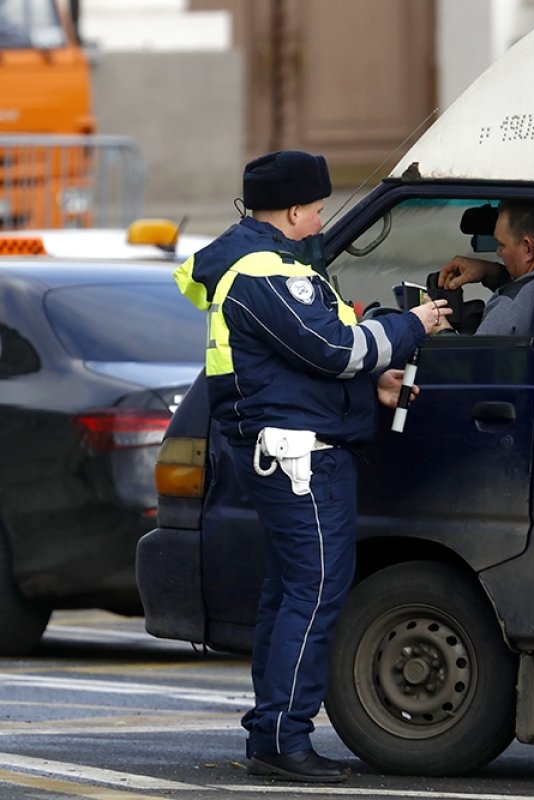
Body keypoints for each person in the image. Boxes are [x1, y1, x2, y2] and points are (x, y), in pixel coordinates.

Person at [174, 150, 451, 783]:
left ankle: (272, 732)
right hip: (303, 457)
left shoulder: (260, 265)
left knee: (289, 592)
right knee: (316, 592)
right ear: (295, 210)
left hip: (287, 449)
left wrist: (370, 386)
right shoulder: (265, 272)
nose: (324, 217)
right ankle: (281, 739)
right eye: (320, 207)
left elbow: (299, 368)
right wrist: (413, 323)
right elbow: (334, 348)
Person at [436, 199, 534, 335]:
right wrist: (490, 271)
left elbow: (471, 356)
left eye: (501, 244)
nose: (498, 252)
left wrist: (440, 327)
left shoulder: (509, 306)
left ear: (528, 248)